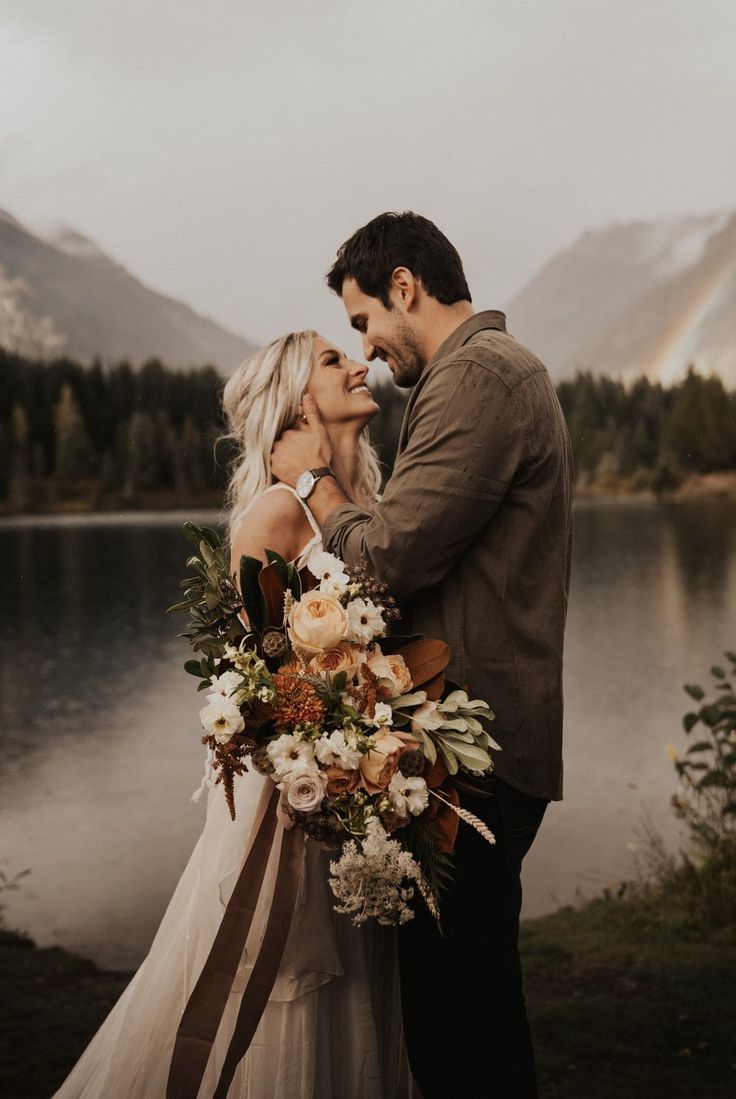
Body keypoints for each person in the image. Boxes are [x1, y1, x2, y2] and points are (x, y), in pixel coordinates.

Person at [53, 330, 414, 1099]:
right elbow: (266, 686)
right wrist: (340, 744)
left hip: (366, 792)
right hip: (300, 805)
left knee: (367, 987)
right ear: (292, 405)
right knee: (302, 993)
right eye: (331, 360)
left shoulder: (369, 510)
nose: (361, 362)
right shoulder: (276, 517)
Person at [271, 211, 575, 1099]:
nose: (367, 345)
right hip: (471, 742)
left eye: (365, 319)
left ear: (406, 286)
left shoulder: (476, 375)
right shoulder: (483, 374)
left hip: (471, 754)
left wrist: (313, 479)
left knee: (455, 1025)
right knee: (473, 1006)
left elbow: (384, 558)